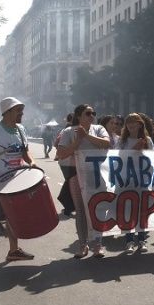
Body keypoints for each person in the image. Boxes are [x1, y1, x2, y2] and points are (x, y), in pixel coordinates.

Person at [0, 97, 36, 270]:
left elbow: (25, 152)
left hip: (15, 180)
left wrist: (31, 162)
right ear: (7, 112)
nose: (22, 113)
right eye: (18, 110)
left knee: (13, 216)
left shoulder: (21, 129)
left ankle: (13, 250)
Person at [57, 104, 111, 258]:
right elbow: (61, 153)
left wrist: (86, 136)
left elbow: (106, 143)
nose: (91, 115)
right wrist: (77, 141)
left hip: (96, 174)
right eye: (88, 113)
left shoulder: (99, 129)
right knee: (81, 210)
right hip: (77, 176)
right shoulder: (68, 132)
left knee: (97, 208)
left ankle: (97, 244)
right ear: (79, 116)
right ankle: (82, 245)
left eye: (93, 113)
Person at [118, 113, 154, 253]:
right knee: (128, 211)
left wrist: (143, 150)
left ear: (140, 124)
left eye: (134, 122)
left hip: (143, 180)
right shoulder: (122, 141)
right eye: (128, 122)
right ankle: (129, 240)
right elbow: (117, 158)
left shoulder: (148, 140)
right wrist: (134, 150)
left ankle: (142, 239)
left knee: (142, 211)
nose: (131, 124)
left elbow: (153, 158)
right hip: (126, 180)